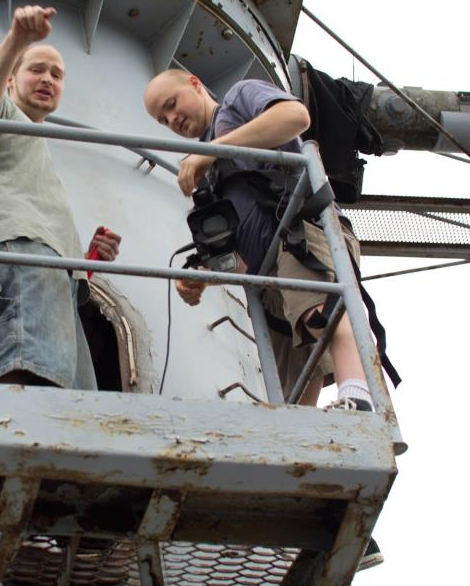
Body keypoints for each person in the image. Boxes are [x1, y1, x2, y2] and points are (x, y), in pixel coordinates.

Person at [144, 70, 383, 570]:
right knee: (293, 392)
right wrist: (201, 280)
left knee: (324, 315)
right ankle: (330, 509)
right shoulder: (205, 173)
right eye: (162, 117)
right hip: (269, 277)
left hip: (300, 231)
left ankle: (360, 403)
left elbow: (295, 116)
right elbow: (238, 256)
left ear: (194, 82)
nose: (172, 118)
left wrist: (213, 150)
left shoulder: (238, 99)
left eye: (172, 103)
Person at [0, 5, 121, 390]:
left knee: (78, 404)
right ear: (10, 82)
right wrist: (16, 41)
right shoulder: (3, 113)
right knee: (26, 373)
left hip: (48, 273)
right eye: (36, 69)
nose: (47, 79)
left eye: (57, 75)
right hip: (18, 257)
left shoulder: (32, 143)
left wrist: (86, 258)